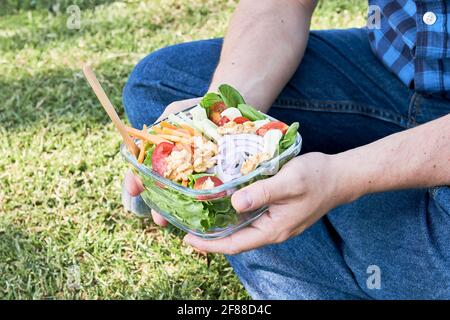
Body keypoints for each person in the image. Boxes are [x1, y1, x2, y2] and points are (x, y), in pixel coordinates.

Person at [121, 0, 450, 299]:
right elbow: (278, 6)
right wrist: (223, 122)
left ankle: (355, 226)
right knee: (160, 83)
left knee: (411, 272)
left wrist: (344, 177)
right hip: (386, 73)